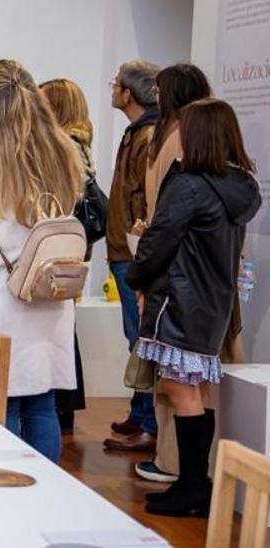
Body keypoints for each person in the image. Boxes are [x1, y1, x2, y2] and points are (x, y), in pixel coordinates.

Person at [129, 98, 260, 516]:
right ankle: (195, 483)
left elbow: (160, 237)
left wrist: (136, 276)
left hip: (179, 299)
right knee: (195, 391)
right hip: (213, 302)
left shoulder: (189, 185)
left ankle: (192, 486)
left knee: (180, 389)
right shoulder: (242, 186)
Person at [0, 59, 83, 463]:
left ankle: (4, 489)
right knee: (41, 402)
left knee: (0, 400)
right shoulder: (63, 151)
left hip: (0, 294)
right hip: (49, 291)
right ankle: (47, 491)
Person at [136, 64, 216, 485]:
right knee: (187, 381)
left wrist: (142, 272)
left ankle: (177, 468)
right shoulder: (189, 140)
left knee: (176, 380)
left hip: (175, 275)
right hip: (196, 278)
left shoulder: (173, 140)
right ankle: (185, 472)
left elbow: (166, 219)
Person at [103, 59, 161, 452]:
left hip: (133, 251)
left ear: (129, 92)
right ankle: (140, 412)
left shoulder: (148, 136)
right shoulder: (136, 132)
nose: (112, 87)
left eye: (116, 83)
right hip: (123, 248)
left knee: (142, 338)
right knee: (134, 336)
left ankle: (150, 424)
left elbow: (146, 196)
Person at [37, 78, 96, 433]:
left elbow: (62, 195)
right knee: (61, 321)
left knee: (58, 323)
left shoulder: (65, 146)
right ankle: (64, 404)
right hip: (70, 242)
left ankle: (61, 403)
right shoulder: (81, 143)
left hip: (59, 242)